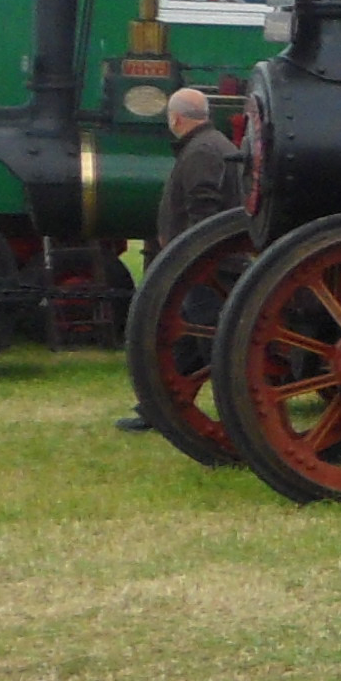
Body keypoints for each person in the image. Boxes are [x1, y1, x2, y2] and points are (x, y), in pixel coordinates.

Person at [119, 87, 242, 433]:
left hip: (203, 268)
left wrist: (190, 256)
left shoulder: (201, 151)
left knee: (210, 340)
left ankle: (236, 413)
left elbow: (203, 211)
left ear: (175, 118)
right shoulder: (212, 145)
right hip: (204, 265)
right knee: (187, 342)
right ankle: (158, 409)